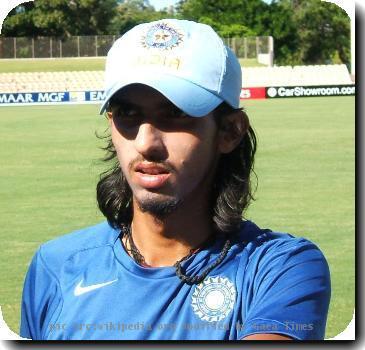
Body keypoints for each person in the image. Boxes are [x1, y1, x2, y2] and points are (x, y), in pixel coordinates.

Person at [20, 19, 331, 341]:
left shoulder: (279, 268)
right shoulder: (57, 265)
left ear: (230, 131)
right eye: (127, 113)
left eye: (176, 113)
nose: (145, 143)